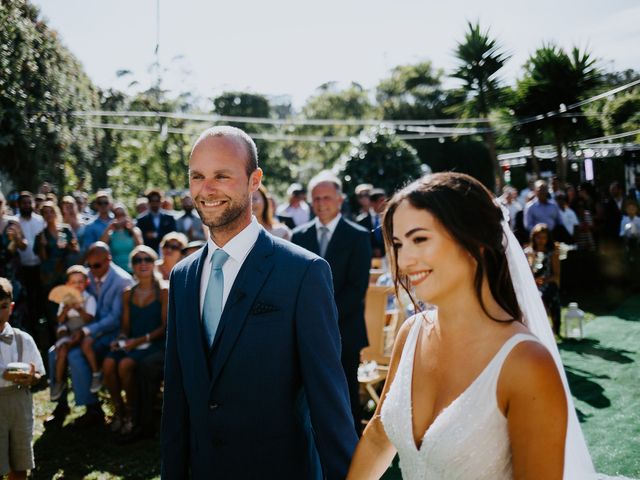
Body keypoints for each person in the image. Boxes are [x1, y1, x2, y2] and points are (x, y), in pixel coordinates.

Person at [347, 172, 594, 479]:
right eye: (397, 244)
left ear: (474, 242)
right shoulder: (411, 333)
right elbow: (377, 439)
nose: (404, 259)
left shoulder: (526, 364)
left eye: (420, 239)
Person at [161, 126, 357, 479]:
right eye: (197, 176)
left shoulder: (303, 272)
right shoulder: (182, 277)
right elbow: (177, 398)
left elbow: (328, 402)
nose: (207, 189)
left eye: (222, 175)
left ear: (254, 181)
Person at [292, 171, 372, 431]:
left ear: (339, 200)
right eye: (316, 198)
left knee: (346, 387)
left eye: (327, 197)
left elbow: (357, 287)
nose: (321, 203)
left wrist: (325, 317)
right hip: (306, 330)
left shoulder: (358, 236)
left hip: (345, 329)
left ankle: (352, 446)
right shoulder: (299, 236)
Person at [45, 242, 133, 429]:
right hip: (82, 329)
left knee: (75, 356)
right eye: (89, 265)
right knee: (54, 352)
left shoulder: (122, 281)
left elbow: (115, 319)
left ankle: (92, 408)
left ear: (108, 260)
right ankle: (60, 405)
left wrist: (85, 331)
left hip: (109, 333)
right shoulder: (87, 275)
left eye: (96, 266)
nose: (91, 270)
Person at [103, 245, 167, 437]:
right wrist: (121, 339)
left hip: (154, 344)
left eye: (147, 259)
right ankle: (119, 411)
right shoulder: (128, 293)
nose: (143, 264)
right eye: (137, 260)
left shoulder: (164, 291)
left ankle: (132, 414)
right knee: (107, 363)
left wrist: (139, 341)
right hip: (133, 342)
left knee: (125, 364)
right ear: (132, 266)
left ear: (154, 263)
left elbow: (165, 327)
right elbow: (125, 327)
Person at [0, 277, 45, 480]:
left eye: (2, 306)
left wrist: (31, 378)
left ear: (11, 307)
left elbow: (38, 373)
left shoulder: (23, 339)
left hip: (19, 402)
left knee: (20, 462)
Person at [50, 265, 97, 401]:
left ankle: (94, 375)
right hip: (69, 333)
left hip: (84, 333)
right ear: (67, 285)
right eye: (73, 282)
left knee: (68, 350)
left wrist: (79, 308)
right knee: (61, 351)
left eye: (81, 282)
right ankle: (59, 382)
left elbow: (90, 318)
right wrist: (65, 310)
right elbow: (59, 320)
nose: (77, 285)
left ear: (87, 283)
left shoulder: (89, 299)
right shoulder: (65, 300)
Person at [16, 192, 45, 335]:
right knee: (26, 299)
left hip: (39, 266)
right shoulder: (15, 221)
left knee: (39, 297)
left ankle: (39, 325)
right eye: (24, 203)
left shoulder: (40, 220)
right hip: (22, 267)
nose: (27, 205)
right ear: (19, 205)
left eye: (29, 203)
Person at [525, 224, 562, 335]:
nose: (541, 240)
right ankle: (537, 330)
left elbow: (556, 275)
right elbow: (527, 274)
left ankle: (552, 329)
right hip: (532, 284)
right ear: (533, 237)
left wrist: (544, 281)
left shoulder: (552, 252)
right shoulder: (528, 252)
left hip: (549, 282)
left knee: (544, 296)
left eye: (544, 237)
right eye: (538, 237)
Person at [99, 203, 143, 273]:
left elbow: (140, 247)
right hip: (116, 271)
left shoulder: (135, 230)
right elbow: (101, 246)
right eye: (117, 215)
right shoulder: (110, 232)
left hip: (133, 270)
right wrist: (108, 229)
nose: (120, 217)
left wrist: (132, 230)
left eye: (122, 214)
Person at [135, 189, 177, 254]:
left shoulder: (169, 217)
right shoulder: (141, 219)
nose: (155, 203)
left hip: (167, 251)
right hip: (149, 252)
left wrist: (156, 235)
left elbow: (173, 234)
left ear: (161, 201)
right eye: (152, 201)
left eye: (157, 201)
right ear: (148, 202)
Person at [357, 188, 387, 258]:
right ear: (373, 203)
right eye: (381, 200)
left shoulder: (390, 219)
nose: (384, 203)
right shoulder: (361, 221)